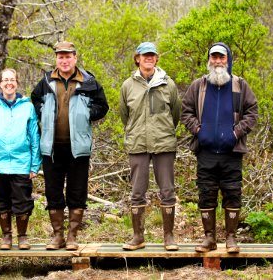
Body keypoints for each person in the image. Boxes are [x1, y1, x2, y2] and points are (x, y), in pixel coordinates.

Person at [180, 42, 258, 253]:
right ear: (209, 60)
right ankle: (209, 238)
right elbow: (185, 111)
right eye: (214, 57)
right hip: (205, 151)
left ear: (228, 60)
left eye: (221, 57)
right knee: (206, 194)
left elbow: (252, 112)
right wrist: (198, 130)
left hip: (231, 152)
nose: (217, 61)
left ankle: (231, 239)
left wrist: (236, 133)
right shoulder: (199, 86)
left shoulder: (240, 85)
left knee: (232, 193)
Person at [31, 41, 109, 251]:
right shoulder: (46, 81)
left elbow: (103, 106)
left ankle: (73, 235)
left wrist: (85, 114)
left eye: (68, 56)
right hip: (52, 148)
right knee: (53, 192)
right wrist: (45, 114)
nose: (64, 60)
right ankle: (57, 236)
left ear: (75, 58)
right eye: (60, 57)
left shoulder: (89, 82)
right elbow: (34, 101)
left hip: (78, 148)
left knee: (77, 192)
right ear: (56, 59)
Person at [119, 42, 181, 251]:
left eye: (152, 55)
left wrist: (162, 131)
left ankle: (169, 237)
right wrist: (137, 132)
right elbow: (124, 116)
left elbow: (176, 114)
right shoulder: (128, 85)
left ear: (156, 59)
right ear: (137, 58)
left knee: (167, 191)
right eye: (145, 55)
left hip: (164, 143)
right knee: (137, 192)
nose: (148, 58)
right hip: (138, 144)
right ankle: (138, 237)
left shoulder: (168, 84)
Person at [0, 68, 41, 250]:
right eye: (5, 80)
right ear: (0, 84)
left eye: (12, 79)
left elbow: (35, 136)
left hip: (22, 163)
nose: (9, 83)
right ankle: (6, 236)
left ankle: (22, 236)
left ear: (17, 83)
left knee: (23, 201)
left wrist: (35, 165)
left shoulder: (27, 107)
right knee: (1, 201)